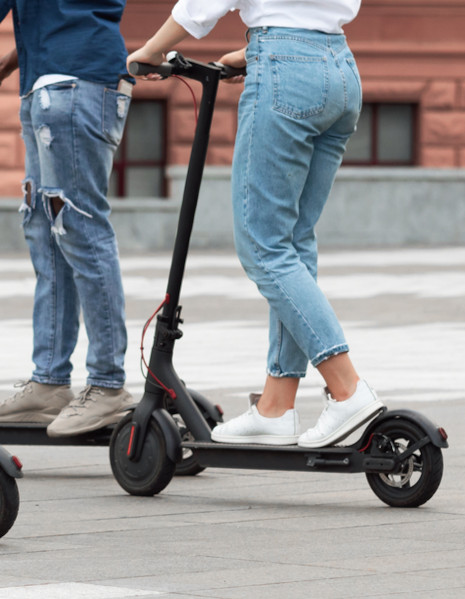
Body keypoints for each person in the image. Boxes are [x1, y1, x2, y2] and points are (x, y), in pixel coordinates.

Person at [128, 0, 387, 449]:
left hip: (286, 71)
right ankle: (276, 404)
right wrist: (254, 51)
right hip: (339, 67)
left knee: (263, 246)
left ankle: (348, 390)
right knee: (293, 243)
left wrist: (150, 50)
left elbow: (202, 5)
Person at [0, 0, 137, 438]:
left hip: (73, 87)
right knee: (45, 229)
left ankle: (108, 384)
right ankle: (50, 382)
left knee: (80, 228)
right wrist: (4, 64)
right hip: (52, 84)